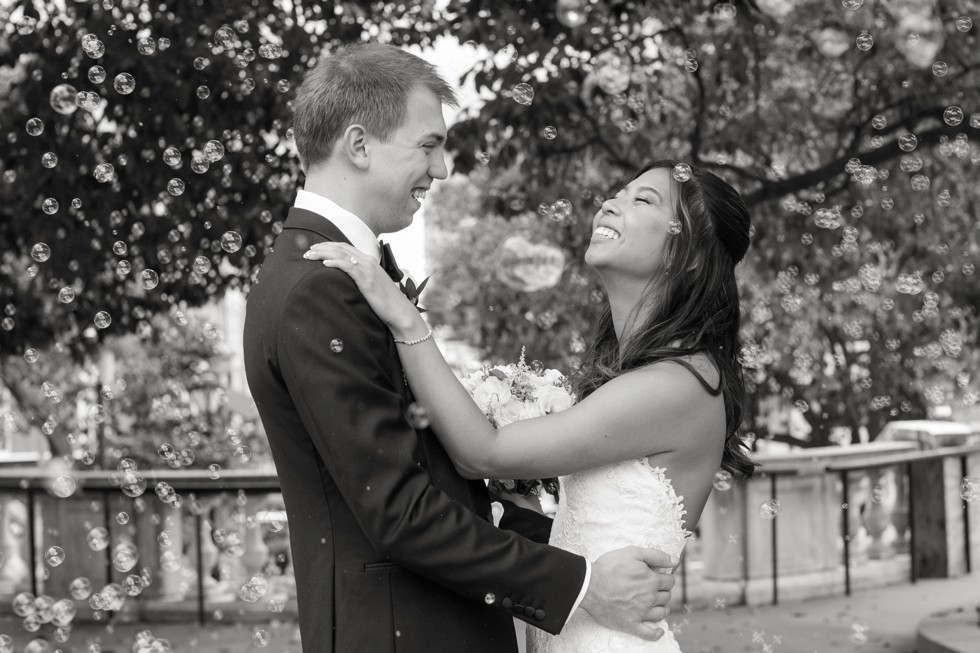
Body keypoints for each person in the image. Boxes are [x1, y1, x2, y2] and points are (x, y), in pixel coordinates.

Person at [243, 42, 677, 653]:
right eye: (428, 145)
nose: (442, 169)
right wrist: (582, 584)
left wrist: (575, 535)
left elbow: (431, 476)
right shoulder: (318, 288)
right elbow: (397, 509)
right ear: (359, 145)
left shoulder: (346, 274)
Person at [304, 159, 757, 652]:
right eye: (618, 193)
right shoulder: (650, 373)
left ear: (689, 256)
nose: (610, 203)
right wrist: (526, 514)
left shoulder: (675, 383)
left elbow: (482, 452)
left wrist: (406, 322)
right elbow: (594, 531)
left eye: (642, 200)